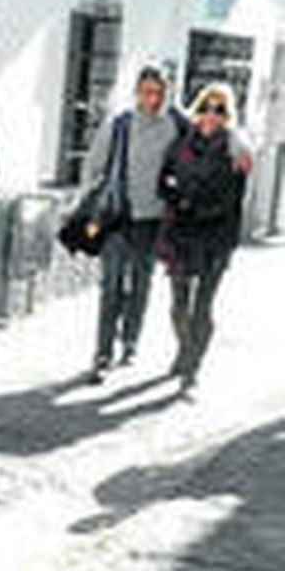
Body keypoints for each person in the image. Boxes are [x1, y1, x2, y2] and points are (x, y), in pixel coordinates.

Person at [82, 66, 184, 382]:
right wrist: (91, 206)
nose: (152, 99)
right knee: (111, 285)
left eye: (158, 92)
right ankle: (102, 351)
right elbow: (93, 166)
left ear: (167, 93)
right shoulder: (120, 124)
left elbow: (209, 138)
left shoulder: (176, 125)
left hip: (153, 221)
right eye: (146, 91)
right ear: (137, 92)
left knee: (141, 283)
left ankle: (130, 342)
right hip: (117, 218)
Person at [158, 81, 250, 393]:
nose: (211, 115)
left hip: (215, 237)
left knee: (202, 307)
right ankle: (185, 350)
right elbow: (163, 180)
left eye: (219, 109)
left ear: (227, 115)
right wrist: (174, 197)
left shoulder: (236, 148)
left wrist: (195, 207)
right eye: (207, 108)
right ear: (198, 110)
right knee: (178, 306)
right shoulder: (181, 143)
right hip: (180, 234)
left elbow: (233, 198)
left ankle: (191, 369)